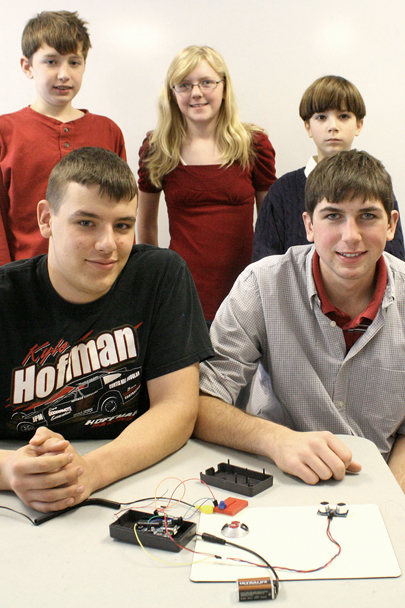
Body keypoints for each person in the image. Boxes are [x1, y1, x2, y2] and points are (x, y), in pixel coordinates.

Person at [0, 147, 213, 513]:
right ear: (46, 219)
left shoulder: (161, 275)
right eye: (86, 223)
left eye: (123, 226)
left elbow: (177, 407)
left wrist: (91, 471)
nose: (107, 245)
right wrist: (9, 470)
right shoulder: (6, 296)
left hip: (133, 482)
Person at [195, 149, 405, 492]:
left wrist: (390, 495)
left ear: (391, 225)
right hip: (279, 480)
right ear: (308, 225)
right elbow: (202, 402)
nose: (350, 235)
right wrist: (276, 440)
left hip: (382, 480)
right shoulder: (262, 285)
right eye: (333, 216)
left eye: (367, 216)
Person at [137, 45, 276, 323]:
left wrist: (269, 285)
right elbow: (146, 225)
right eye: (184, 85)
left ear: (224, 87)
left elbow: (270, 226)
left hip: (246, 293)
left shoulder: (254, 145)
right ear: (172, 93)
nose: (196, 93)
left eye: (206, 82)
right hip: (180, 294)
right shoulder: (158, 147)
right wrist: (154, 279)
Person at [0, 10, 127, 266]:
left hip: (96, 272)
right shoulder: (5, 132)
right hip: (24, 277)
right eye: (51, 62)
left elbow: (122, 211)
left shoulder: (108, 131)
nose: (63, 74)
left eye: (74, 62)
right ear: (27, 66)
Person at [252, 75, 404, 262]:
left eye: (343, 116)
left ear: (359, 124)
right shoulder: (282, 191)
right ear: (308, 126)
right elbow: (264, 261)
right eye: (321, 117)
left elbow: (394, 259)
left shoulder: (377, 185)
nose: (333, 126)